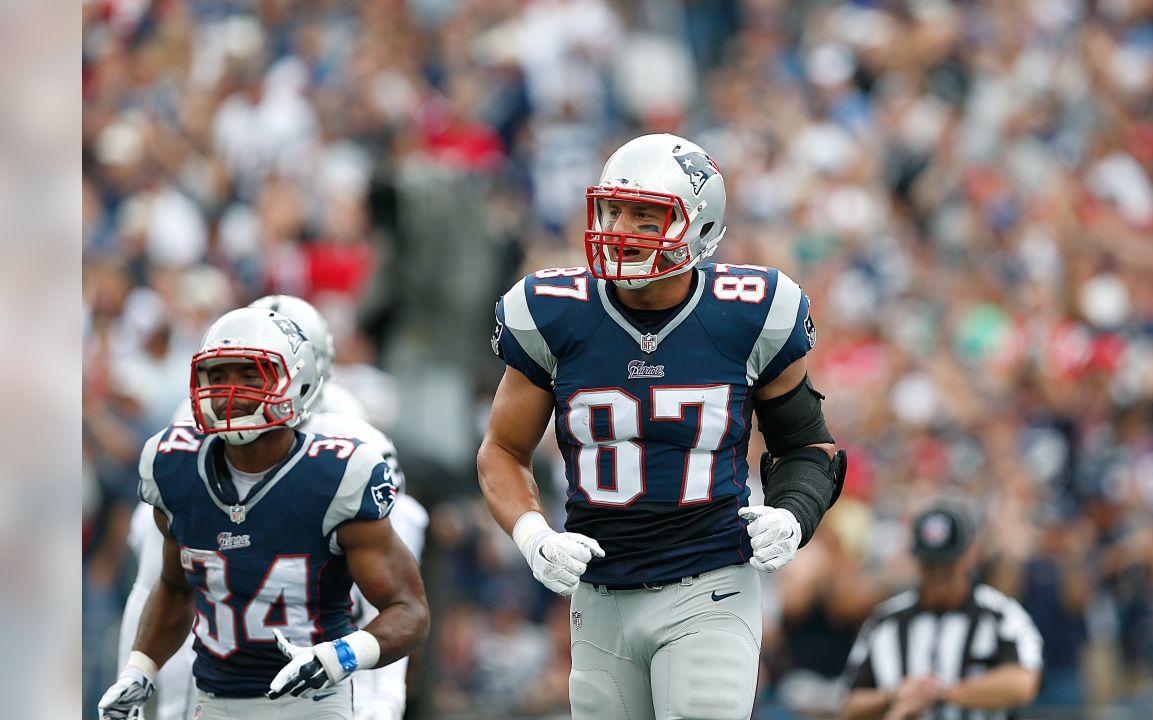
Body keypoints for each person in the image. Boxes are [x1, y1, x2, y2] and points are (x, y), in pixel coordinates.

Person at [477, 133, 846, 719]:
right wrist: (533, 535)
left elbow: (807, 446)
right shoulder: (552, 312)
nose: (621, 229)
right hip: (598, 593)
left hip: (710, 582)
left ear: (699, 228)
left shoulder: (751, 312)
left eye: (647, 217)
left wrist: (792, 513)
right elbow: (502, 449)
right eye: (614, 210)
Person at [98, 307, 430, 720]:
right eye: (218, 377)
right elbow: (173, 586)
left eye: (250, 375)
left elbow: (409, 609)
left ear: (297, 380)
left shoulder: (338, 472)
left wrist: (342, 655)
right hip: (214, 699)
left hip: (315, 702)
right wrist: (140, 669)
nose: (231, 391)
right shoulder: (174, 465)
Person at [838, 499, 1043, 720]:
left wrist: (940, 693)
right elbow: (849, 706)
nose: (937, 573)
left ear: (970, 554)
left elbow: (1024, 683)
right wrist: (892, 697)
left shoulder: (1002, 614)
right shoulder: (886, 619)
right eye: (929, 563)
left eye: (947, 563)